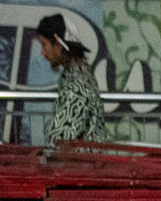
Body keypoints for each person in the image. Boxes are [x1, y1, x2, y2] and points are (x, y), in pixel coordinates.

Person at [35, 13, 108, 144]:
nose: (42, 52)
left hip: (80, 162)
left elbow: (62, 141)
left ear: (58, 44)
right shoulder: (78, 73)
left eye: (44, 44)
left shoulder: (77, 84)